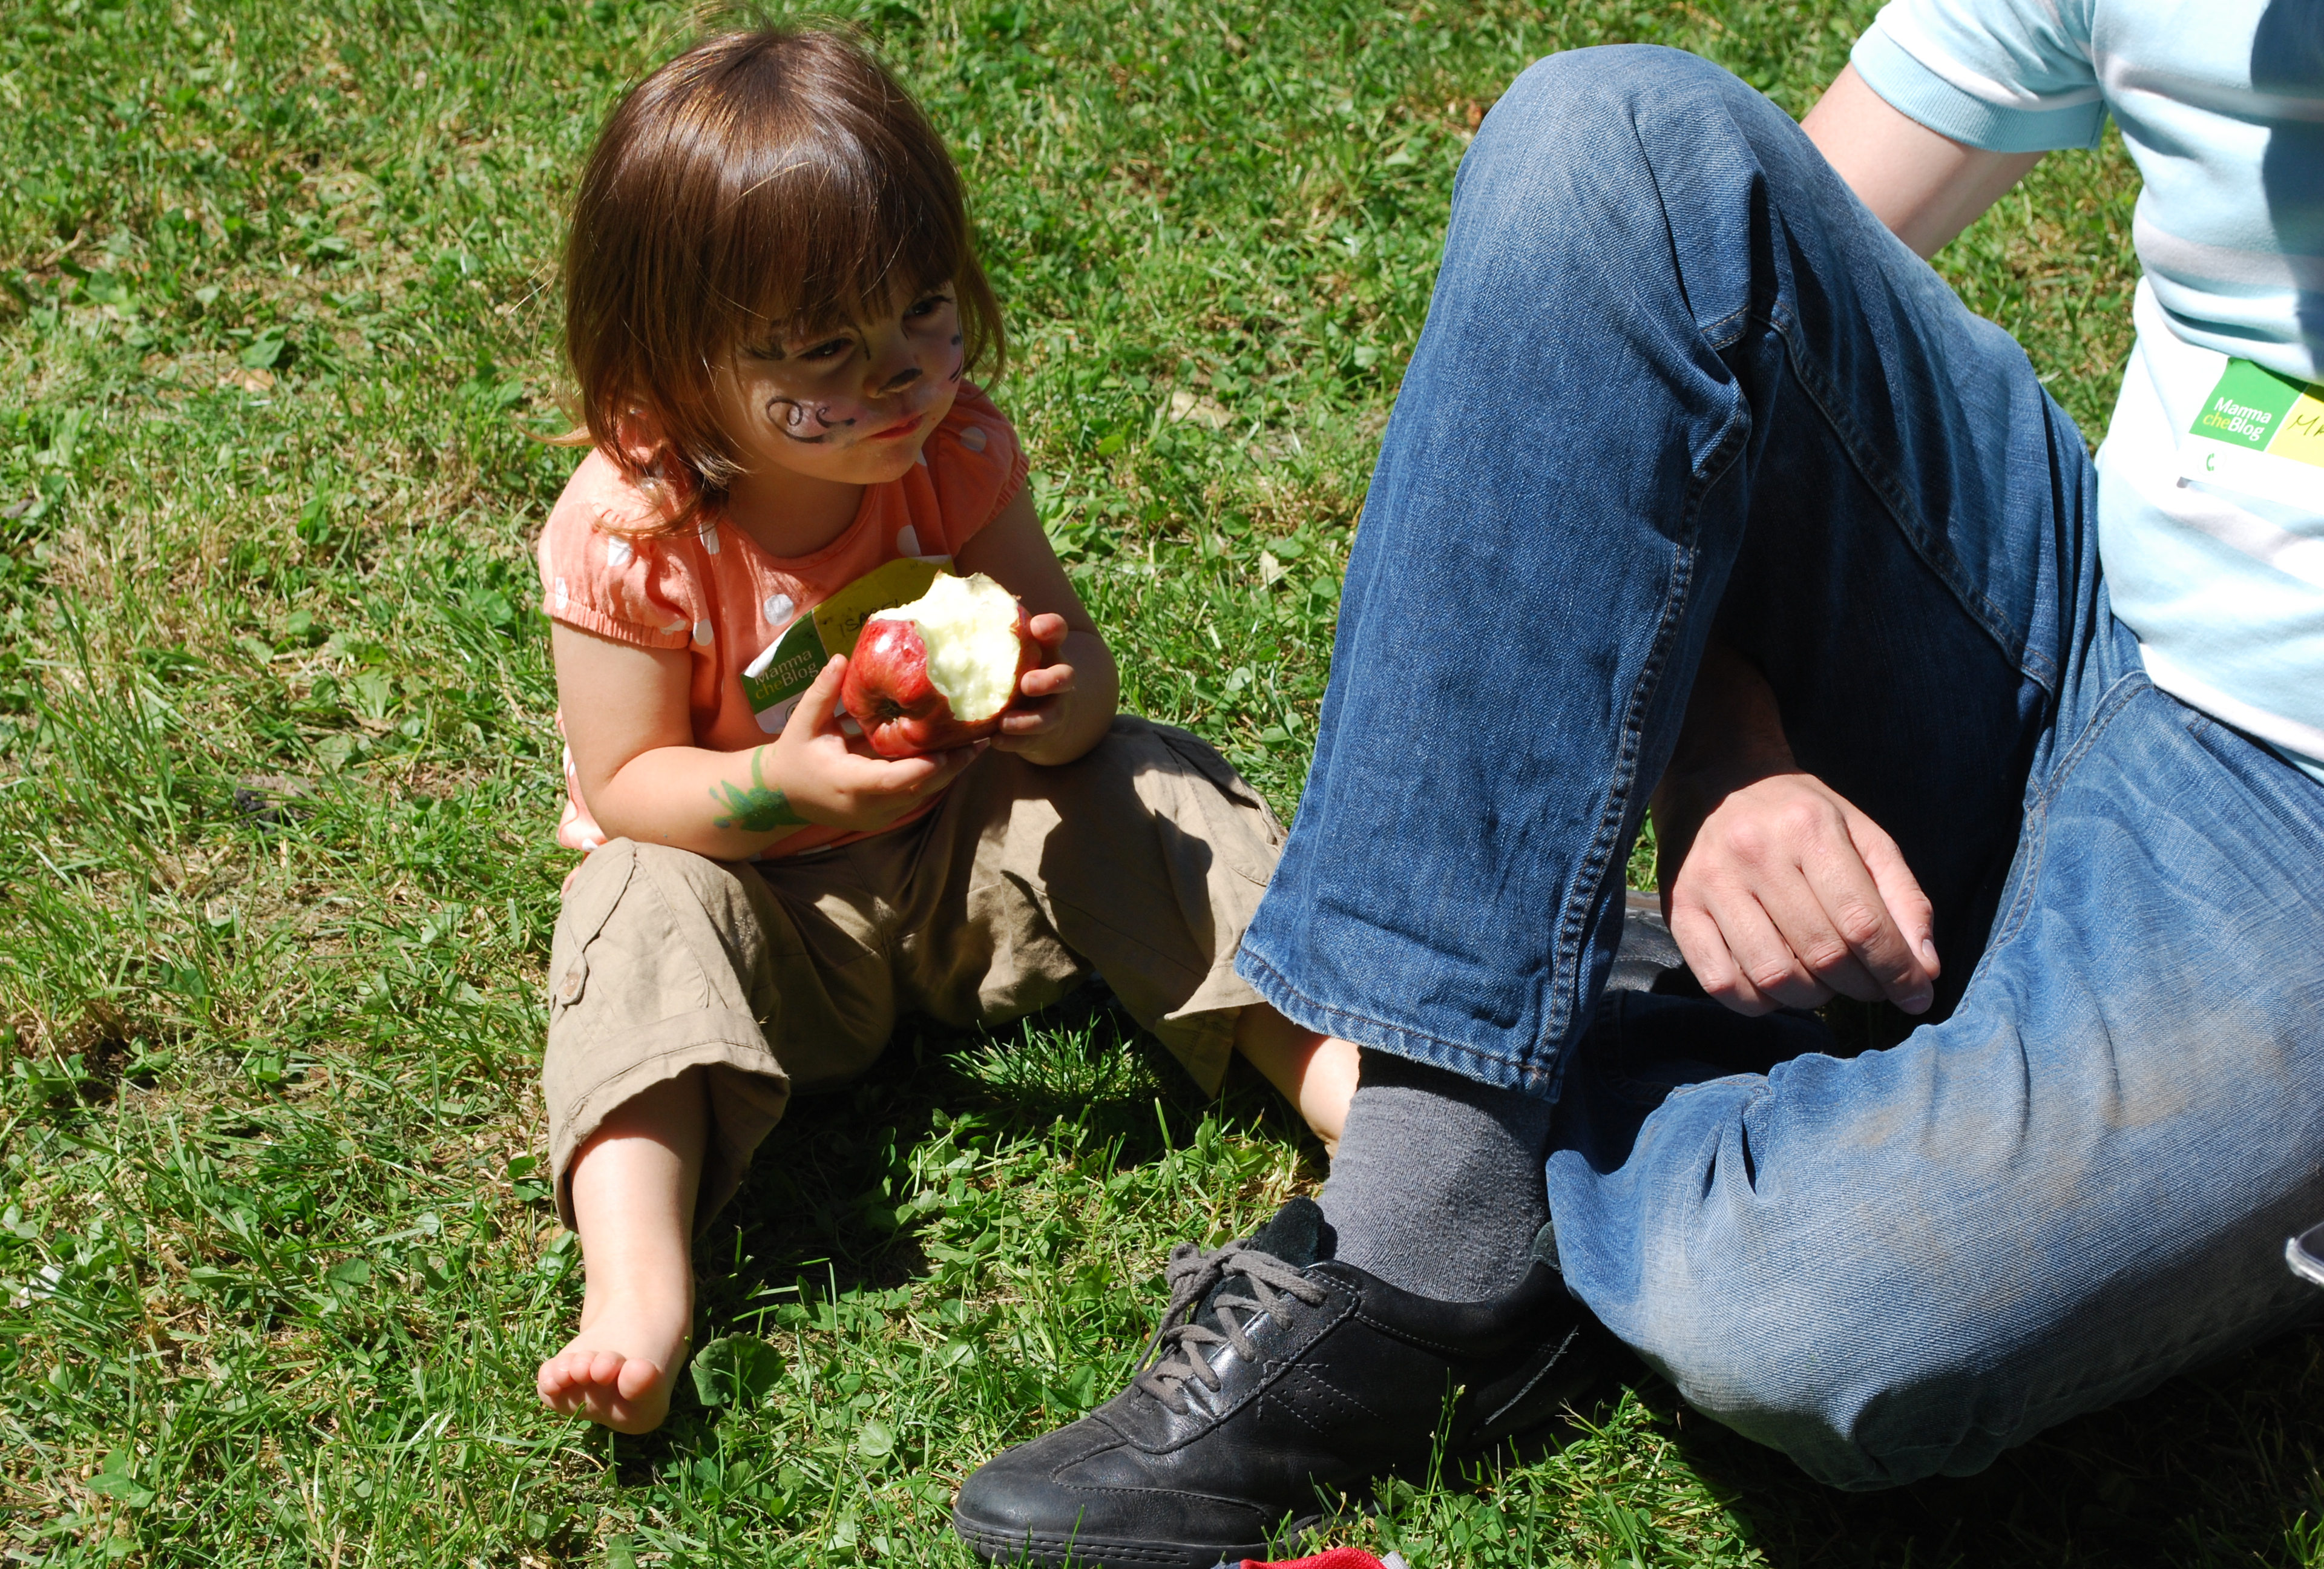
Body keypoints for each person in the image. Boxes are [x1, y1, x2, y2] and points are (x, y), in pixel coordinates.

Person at [955, 1, 2324, 1562]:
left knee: (1810, 1314)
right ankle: (1425, 1236)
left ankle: (1545, 1047)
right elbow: (1688, 312)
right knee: (1606, 150)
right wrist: (1720, 746)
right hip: (2074, 605)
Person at [525, 26, 1363, 1435]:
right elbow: (627, 786)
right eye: (826, 351)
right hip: (765, 926)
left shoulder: (953, 452)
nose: (904, 375)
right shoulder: (632, 533)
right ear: (671, 371)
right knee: (624, 907)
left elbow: (1078, 665)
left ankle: (1344, 1085)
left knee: (1147, 778)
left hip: (973, 880)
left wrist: (1053, 708)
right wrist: (783, 788)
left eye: (925, 310)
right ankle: (637, 1288)